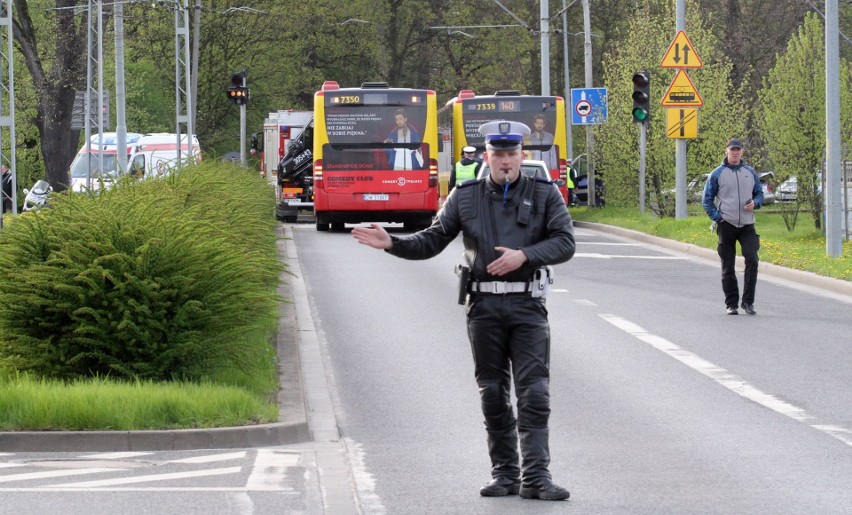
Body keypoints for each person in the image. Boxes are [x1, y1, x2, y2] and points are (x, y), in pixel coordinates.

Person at [353, 121, 575, 501]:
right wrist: (393, 243)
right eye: (498, 155)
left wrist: (526, 255)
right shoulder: (465, 194)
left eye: (512, 154)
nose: (505, 161)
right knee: (492, 392)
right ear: (486, 157)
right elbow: (433, 240)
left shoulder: (544, 192)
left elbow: (565, 242)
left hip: (526, 304)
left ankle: (536, 477)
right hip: (484, 306)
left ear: (523, 155)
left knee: (534, 393)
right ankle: (505, 474)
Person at [702, 137, 763, 315]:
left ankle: (748, 302)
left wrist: (756, 203)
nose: (735, 153)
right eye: (732, 150)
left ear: (742, 152)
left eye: (738, 150)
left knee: (752, 260)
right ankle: (732, 304)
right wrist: (718, 217)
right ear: (726, 151)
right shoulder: (717, 173)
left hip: (747, 224)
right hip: (726, 224)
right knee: (728, 265)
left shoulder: (750, 172)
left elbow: (759, 193)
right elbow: (706, 200)